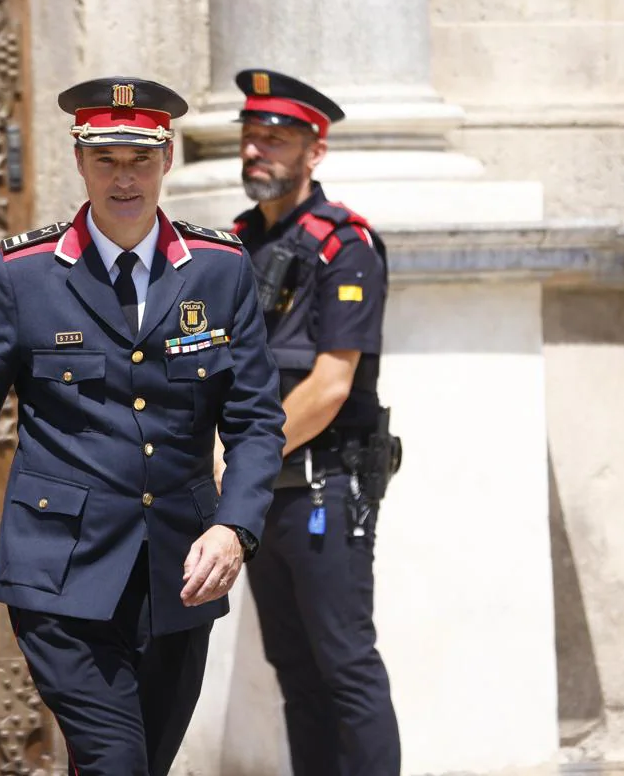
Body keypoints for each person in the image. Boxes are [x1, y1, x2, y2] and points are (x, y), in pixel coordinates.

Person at [0, 76, 288, 776]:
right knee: (115, 763)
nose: (123, 179)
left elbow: (255, 420)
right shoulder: (26, 276)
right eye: (106, 159)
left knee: (139, 764)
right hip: (61, 574)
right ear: (78, 159)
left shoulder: (219, 270)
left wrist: (235, 525)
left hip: (178, 574)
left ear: (165, 161)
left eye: (140, 159)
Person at [223, 69, 402, 775]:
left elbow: (330, 386)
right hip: (263, 494)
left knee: (346, 665)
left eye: (277, 137)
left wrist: (239, 462)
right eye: (250, 136)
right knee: (293, 671)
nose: (256, 150)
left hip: (326, 485)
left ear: (314, 152)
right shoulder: (236, 242)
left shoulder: (345, 245)